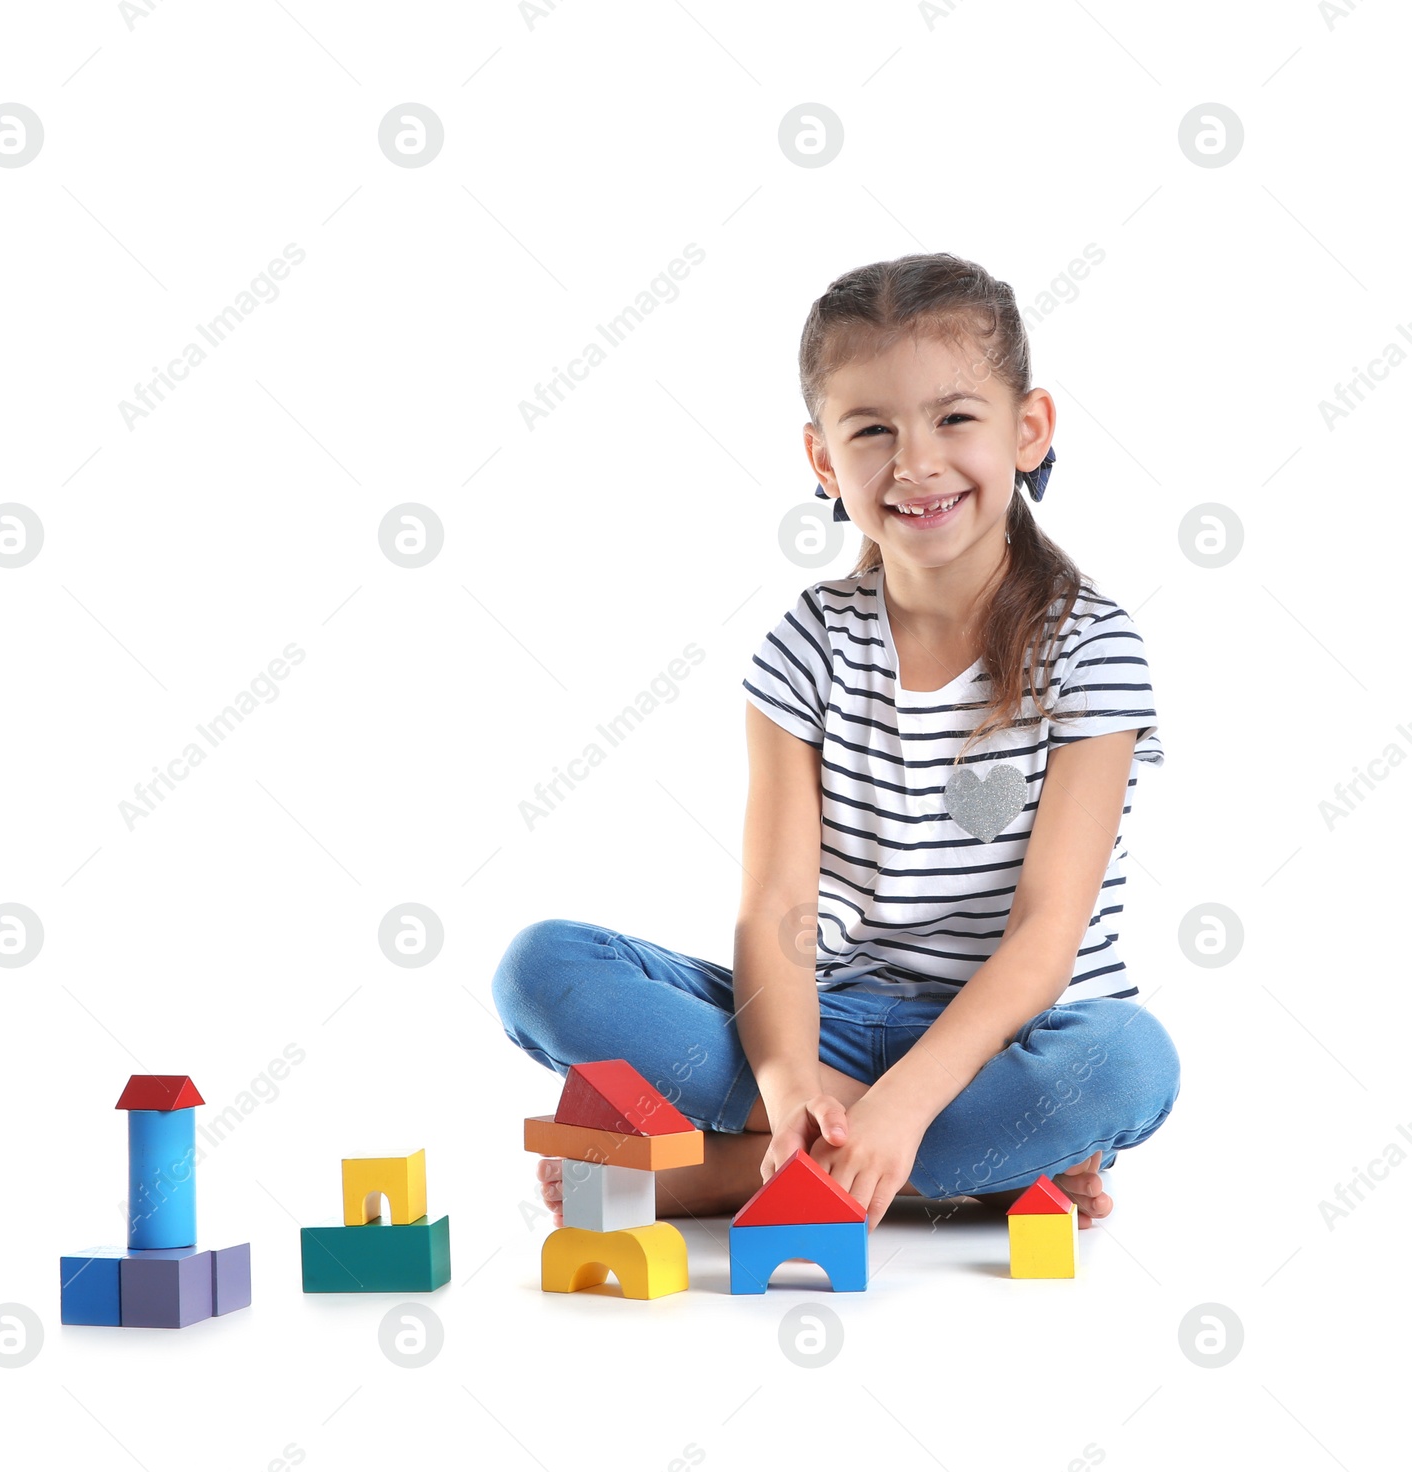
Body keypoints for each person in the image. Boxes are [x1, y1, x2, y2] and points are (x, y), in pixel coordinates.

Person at [491, 252, 1180, 1235]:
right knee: (541, 967)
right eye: (871, 430)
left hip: (1016, 1040)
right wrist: (786, 1096)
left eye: (953, 418)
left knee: (1127, 1063)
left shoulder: (1091, 648)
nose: (916, 462)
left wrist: (903, 1104)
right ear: (822, 460)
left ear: (1026, 430)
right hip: (834, 1022)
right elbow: (779, 910)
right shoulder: (803, 650)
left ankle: (729, 1174)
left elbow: (1044, 936)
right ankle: (952, 1168)